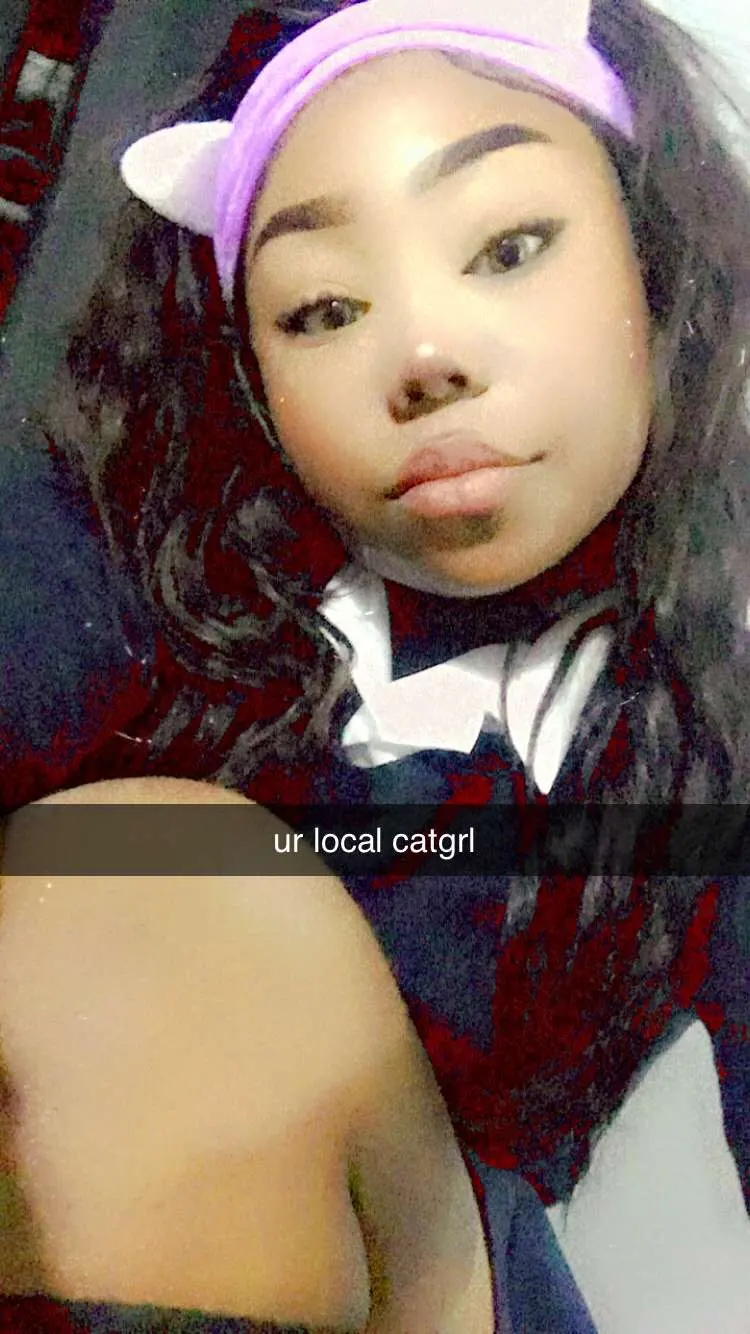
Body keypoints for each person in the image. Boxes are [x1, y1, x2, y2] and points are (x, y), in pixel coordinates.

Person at [1, 0, 749, 1328]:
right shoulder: (136, 552)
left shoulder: (712, 706)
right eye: (323, 309)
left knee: (157, 877)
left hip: (448, 1281)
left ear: (653, 263)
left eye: (508, 248)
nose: (423, 355)